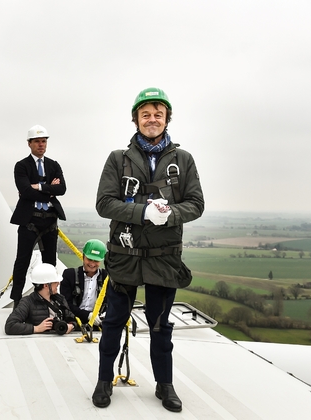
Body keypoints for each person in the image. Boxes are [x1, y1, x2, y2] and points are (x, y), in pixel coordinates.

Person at [91, 87, 204, 412]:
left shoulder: (182, 161)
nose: (152, 119)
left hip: (163, 260)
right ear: (136, 119)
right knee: (113, 323)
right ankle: (103, 381)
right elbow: (104, 203)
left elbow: (195, 204)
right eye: (146, 114)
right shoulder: (118, 159)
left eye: (158, 114)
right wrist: (142, 213)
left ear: (166, 118)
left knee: (160, 326)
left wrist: (168, 215)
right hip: (124, 257)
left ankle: (164, 386)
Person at [10, 125, 66, 308]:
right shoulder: (22, 166)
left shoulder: (53, 165)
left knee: (50, 262)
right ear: (29, 144)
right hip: (30, 220)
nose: (41, 145)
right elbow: (25, 191)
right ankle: (17, 299)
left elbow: (62, 189)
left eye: (43, 141)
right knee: (22, 261)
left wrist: (39, 187)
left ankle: (48, 298)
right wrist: (50, 190)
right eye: (37, 141)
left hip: (50, 219)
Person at [5, 263, 76, 335]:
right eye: (55, 282)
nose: (58, 283)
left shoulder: (60, 299)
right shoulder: (27, 302)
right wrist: (37, 328)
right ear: (46, 285)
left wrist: (71, 326)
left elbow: (74, 319)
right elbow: (10, 326)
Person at [60, 239, 108, 325]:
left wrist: (105, 314)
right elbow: (66, 303)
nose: (92, 264)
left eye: (96, 261)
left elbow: (111, 301)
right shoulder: (70, 275)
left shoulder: (106, 277)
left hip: (98, 323)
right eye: (89, 259)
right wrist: (87, 315)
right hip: (72, 322)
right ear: (83, 256)